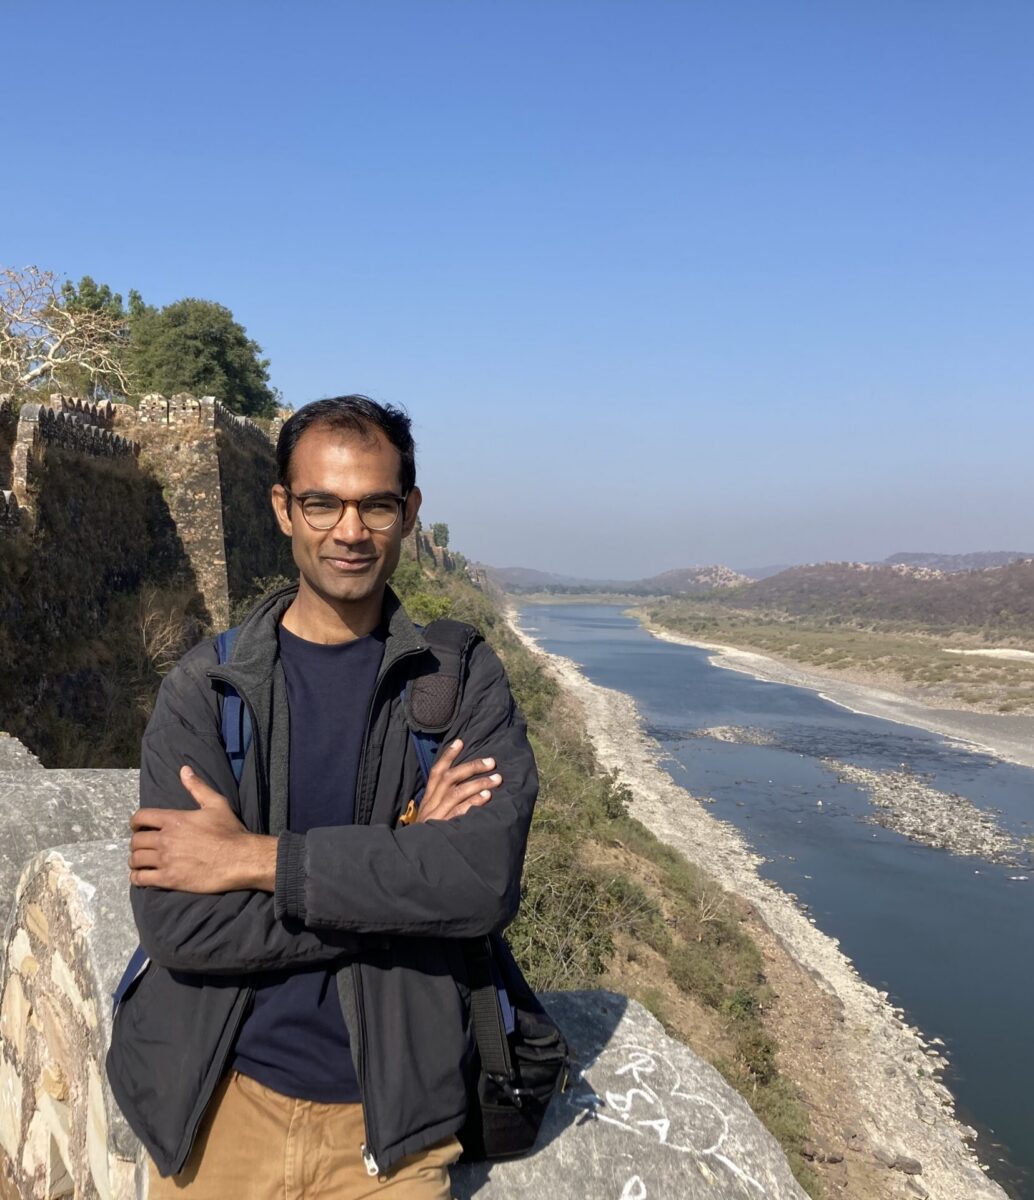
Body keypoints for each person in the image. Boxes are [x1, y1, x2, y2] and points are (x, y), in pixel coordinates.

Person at [106, 395, 538, 1199]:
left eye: (376, 505)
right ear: (283, 509)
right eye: (322, 504)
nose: (350, 531)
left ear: (409, 513)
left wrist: (254, 861)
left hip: (393, 1132)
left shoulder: (457, 683)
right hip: (219, 1110)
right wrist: (402, 875)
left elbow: (479, 882)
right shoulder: (208, 690)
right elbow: (181, 924)